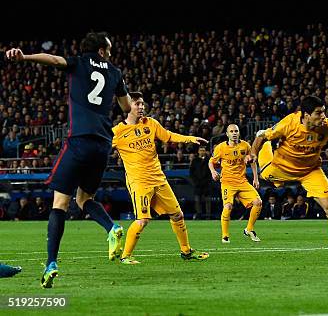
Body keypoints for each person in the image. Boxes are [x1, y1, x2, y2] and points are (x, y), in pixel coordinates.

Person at [6, 32, 132, 288]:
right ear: (100, 49)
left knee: (59, 203)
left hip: (80, 140)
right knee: (84, 199)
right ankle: (111, 227)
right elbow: (127, 107)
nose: (110, 52)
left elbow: (53, 60)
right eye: (108, 48)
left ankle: (51, 262)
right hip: (102, 144)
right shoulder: (116, 72)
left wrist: (25, 56)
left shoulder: (79, 62)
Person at [251, 95, 328, 267]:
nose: (323, 116)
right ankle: (267, 155)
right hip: (280, 169)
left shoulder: (326, 125)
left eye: (323, 112)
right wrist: (253, 152)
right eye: (318, 113)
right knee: (264, 164)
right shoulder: (289, 123)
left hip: (310, 171)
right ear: (305, 114)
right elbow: (260, 139)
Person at [112, 92, 209, 264]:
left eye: (142, 104)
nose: (142, 107)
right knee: (142, 220)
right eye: (137, 104)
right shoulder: (117, 132)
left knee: (177, 215)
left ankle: (186, 251)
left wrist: (190, 139)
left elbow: (169, 136)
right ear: (128, 106)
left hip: (158, 178)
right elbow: (99, 147)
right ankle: (125, 256)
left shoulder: (151, 123)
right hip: (139, 181)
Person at [209, 124, 262, 243]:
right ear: (227, 134)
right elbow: (211, 162)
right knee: (228, 206)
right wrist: (213, 172)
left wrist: (256, 178)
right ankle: (225, 236)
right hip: (227, 182)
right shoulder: (221, 148)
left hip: (242, 181)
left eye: (236, 131)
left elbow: (252, 161)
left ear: (239, 133)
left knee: (258, 202)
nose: (234, 133)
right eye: (231, 131)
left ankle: (249, 230)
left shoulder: (245, 146)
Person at [189, 146, 213, 219]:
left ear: (205, 151)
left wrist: (207, 181)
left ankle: (208, 215)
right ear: (198, 151)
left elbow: (211, 172)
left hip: (206, 184)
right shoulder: (194, 160)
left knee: (208, 201)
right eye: (201, 150)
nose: (202, 151)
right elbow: (191, 173)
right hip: (197, 184)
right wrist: (195, 182)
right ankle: (198, 215)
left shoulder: (209, 160)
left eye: (203, 150)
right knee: (197, 201)